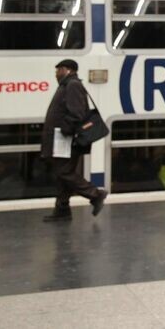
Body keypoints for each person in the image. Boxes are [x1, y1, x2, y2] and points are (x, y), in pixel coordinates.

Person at [39, 59, 106, 221]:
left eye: (58, 70)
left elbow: (75, 113)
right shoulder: (67, 85)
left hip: (66, 140)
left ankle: (95, 194)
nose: (55, 74)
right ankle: (62, 209)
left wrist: (65, 130)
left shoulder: (72, 85)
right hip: (63, 139)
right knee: (63, 174)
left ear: (67, 70)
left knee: (63, 172)